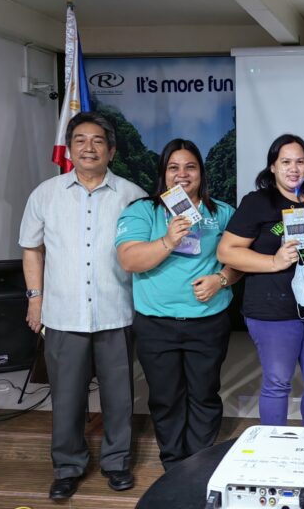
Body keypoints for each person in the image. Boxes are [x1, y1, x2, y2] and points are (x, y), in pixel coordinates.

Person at [19, 112, 146, 499]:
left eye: (97, 141)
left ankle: (117, 462)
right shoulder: (45, 193)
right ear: (69, 148)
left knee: (119, 396)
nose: (88, 147)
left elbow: (141, 252)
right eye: (80, 140)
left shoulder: (132, 195)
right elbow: (32, 250)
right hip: (62, 313)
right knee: (67, 397)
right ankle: (68, 466)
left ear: (111, 150)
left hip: (116, 312)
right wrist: (35, 300)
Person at [115, 139, 240, 470]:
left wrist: (222, 279)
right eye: (174, 167)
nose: (182, 175)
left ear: (201, 172)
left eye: (190, 167)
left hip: (208, 321)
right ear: (163, 174)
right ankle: (173, 464)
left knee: (204, 394)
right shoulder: (142, 210)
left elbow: (239, 260)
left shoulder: (223, 212)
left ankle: (198, 463)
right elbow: (129, 259)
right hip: (157, 324)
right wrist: (169, 239)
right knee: (165, 397)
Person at [218, 134, 304, 426]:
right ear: (272, 166)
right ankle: (274, 452)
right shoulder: (257, 203)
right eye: (285, 161)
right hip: (271, 310)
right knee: (278, 383)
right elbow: (227, 251)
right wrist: (273, 262)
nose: (293, 168)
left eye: (300, 162)